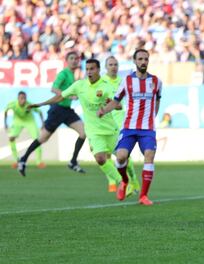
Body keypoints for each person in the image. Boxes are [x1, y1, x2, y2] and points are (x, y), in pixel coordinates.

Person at [28, 59, 130, 193]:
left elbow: (118, 105)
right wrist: (41, 104)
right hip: (93, 131)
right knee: (100, 158)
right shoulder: (79, 85)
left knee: (123, 157)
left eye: (92, 69)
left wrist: (109, 106)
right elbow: (60, 97)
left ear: (99, 70)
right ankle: (121, 183)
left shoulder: (106, 86)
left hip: (110, 129)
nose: (89, 72)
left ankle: (131, 181)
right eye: (87, 69)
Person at [98, 48, 162, 205]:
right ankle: (125, 181)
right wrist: (104, 110)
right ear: (134, 61)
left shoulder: (156, 81)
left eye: (145, 59)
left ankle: (143, 196)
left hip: (147, 128)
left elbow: (158, 100)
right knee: (120, 157)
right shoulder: (126, 81)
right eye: (140, 59)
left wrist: (152, 117)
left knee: (149, 156)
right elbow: (116, 100)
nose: (143, 62)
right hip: (129, 127)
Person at [17, 51, 86, 176]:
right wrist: (69, 96)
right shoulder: (64, 73)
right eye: (72, 58)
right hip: (57, 110)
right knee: (43, 138)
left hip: (67, 111)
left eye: (76, 58)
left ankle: (73, 161)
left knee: (83, 133)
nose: (75, 60)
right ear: (67, 60)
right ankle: (23, 159)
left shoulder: (72, 75)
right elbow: (53, 89)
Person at [101, 55, 140, 194]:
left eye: (115, 64)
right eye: (110, 64)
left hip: (121, 120)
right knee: (105, 154)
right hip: (105, 122)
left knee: (123, 154)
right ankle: (113, 180)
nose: (113, 67)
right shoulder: (101, 82)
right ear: (106, 67)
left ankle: (132, 179)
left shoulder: (124, 81)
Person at [4, 91, 45, 168]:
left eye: (24, 98)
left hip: (30, 121)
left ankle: (38, 162)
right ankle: (16, 161)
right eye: (21, 98)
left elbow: (40, 112)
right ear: (18, 99)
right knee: (11, 138)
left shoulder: (29, 104)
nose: (23, 100)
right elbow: (6, 112)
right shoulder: (12, 104)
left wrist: (43, 123)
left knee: (37, 139)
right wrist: (5, 123)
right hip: (17, 121)